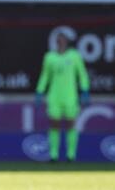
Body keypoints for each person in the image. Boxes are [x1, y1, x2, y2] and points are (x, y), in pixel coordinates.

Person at [35, 32, 90, 162]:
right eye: (59, 40)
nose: (61, 42)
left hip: (70, 96)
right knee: (54, 125)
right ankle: (53, 155)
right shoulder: (50, 57)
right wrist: (39, 91)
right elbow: (45, 75)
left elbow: (82, 74)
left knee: (71, 124)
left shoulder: (74, 56)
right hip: (54, 96)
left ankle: (71, 155)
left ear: (67, 42)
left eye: (63, 40)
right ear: (56, 42)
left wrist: (85, 89)